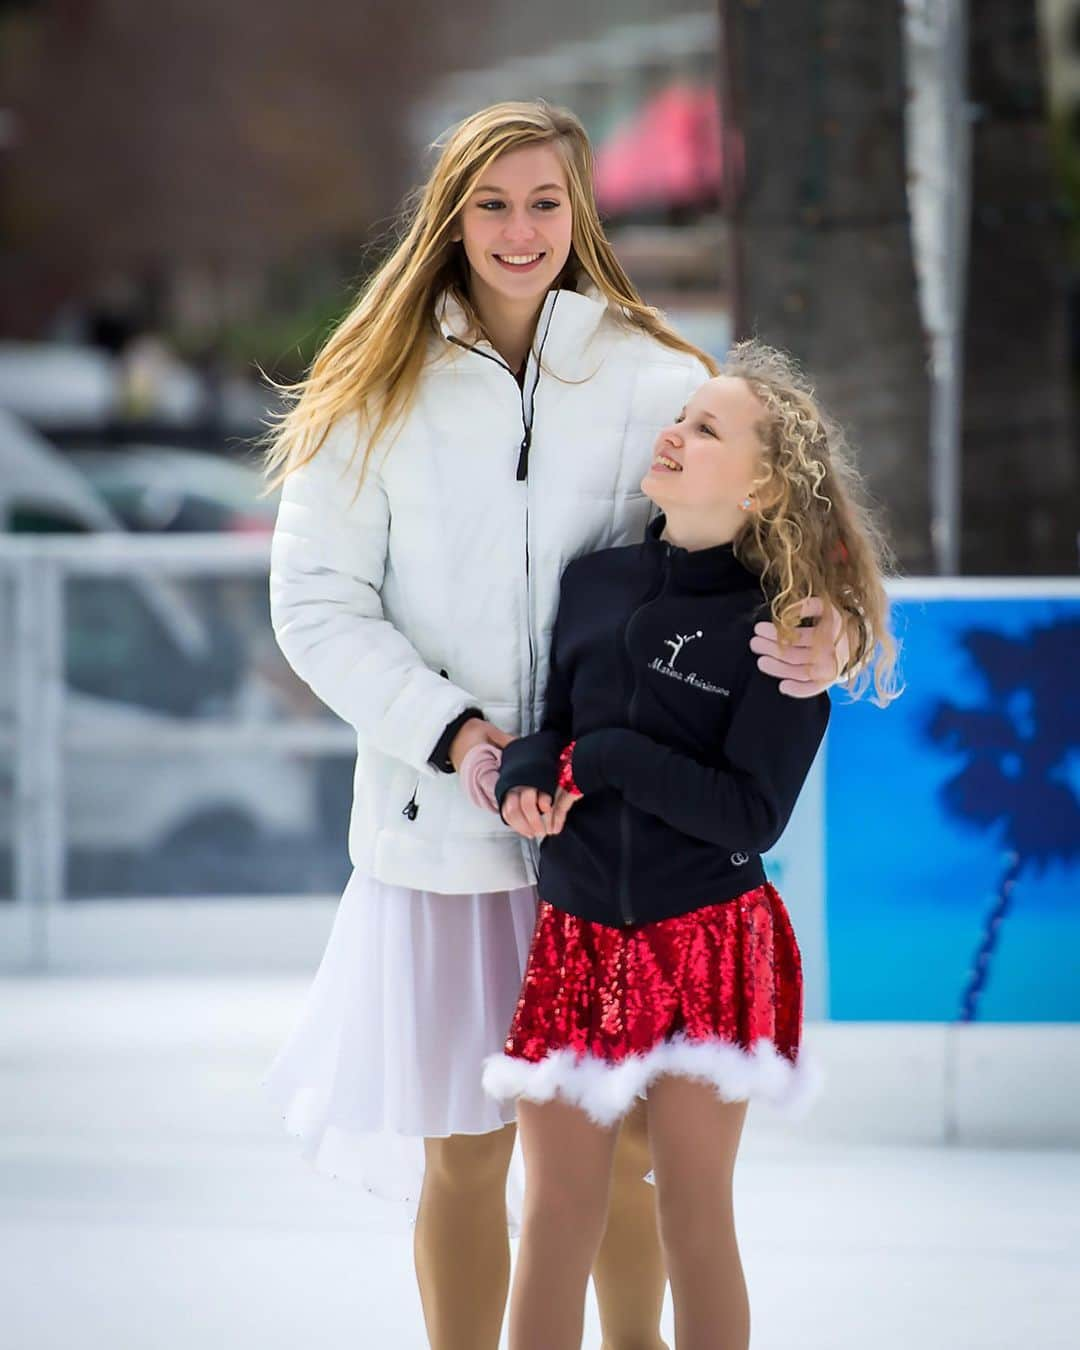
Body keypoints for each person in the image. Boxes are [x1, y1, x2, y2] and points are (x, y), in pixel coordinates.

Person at [261, 100, 851, 1350]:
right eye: (492, 203)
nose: (521, 230)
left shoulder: (656, 376)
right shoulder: (375, 384)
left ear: (580, 210)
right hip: (450, 840)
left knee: (626, 1161)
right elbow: (315, 603)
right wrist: (461, 735)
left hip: (619, 849)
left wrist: (831, 630)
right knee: (469, 1162)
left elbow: (770, 534)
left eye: (545, 202)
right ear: (450, 216)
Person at [484, 342, 900, 1350]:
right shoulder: (594, 580)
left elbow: (750, 816)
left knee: (693, 1217)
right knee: (553, 1218)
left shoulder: (785, 632)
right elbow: (555, 716)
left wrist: (616, 756)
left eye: (706, 428)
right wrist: (531, 771)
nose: (674, 433)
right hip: (579, 936)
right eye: (683, 415)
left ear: (762, 487)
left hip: (708, 944)